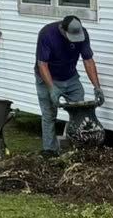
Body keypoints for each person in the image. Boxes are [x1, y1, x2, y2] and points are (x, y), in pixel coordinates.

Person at [34, 15, 104, 155]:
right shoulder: (47, 34)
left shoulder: (82, 34)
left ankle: (79, 148)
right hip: (47, 77)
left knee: (80, 112)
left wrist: (97, 87)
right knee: (49, 115)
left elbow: (88, 60)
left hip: (70, 77)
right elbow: (42, 64)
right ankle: (50, 151)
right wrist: (52, 88)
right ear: (62, 29)